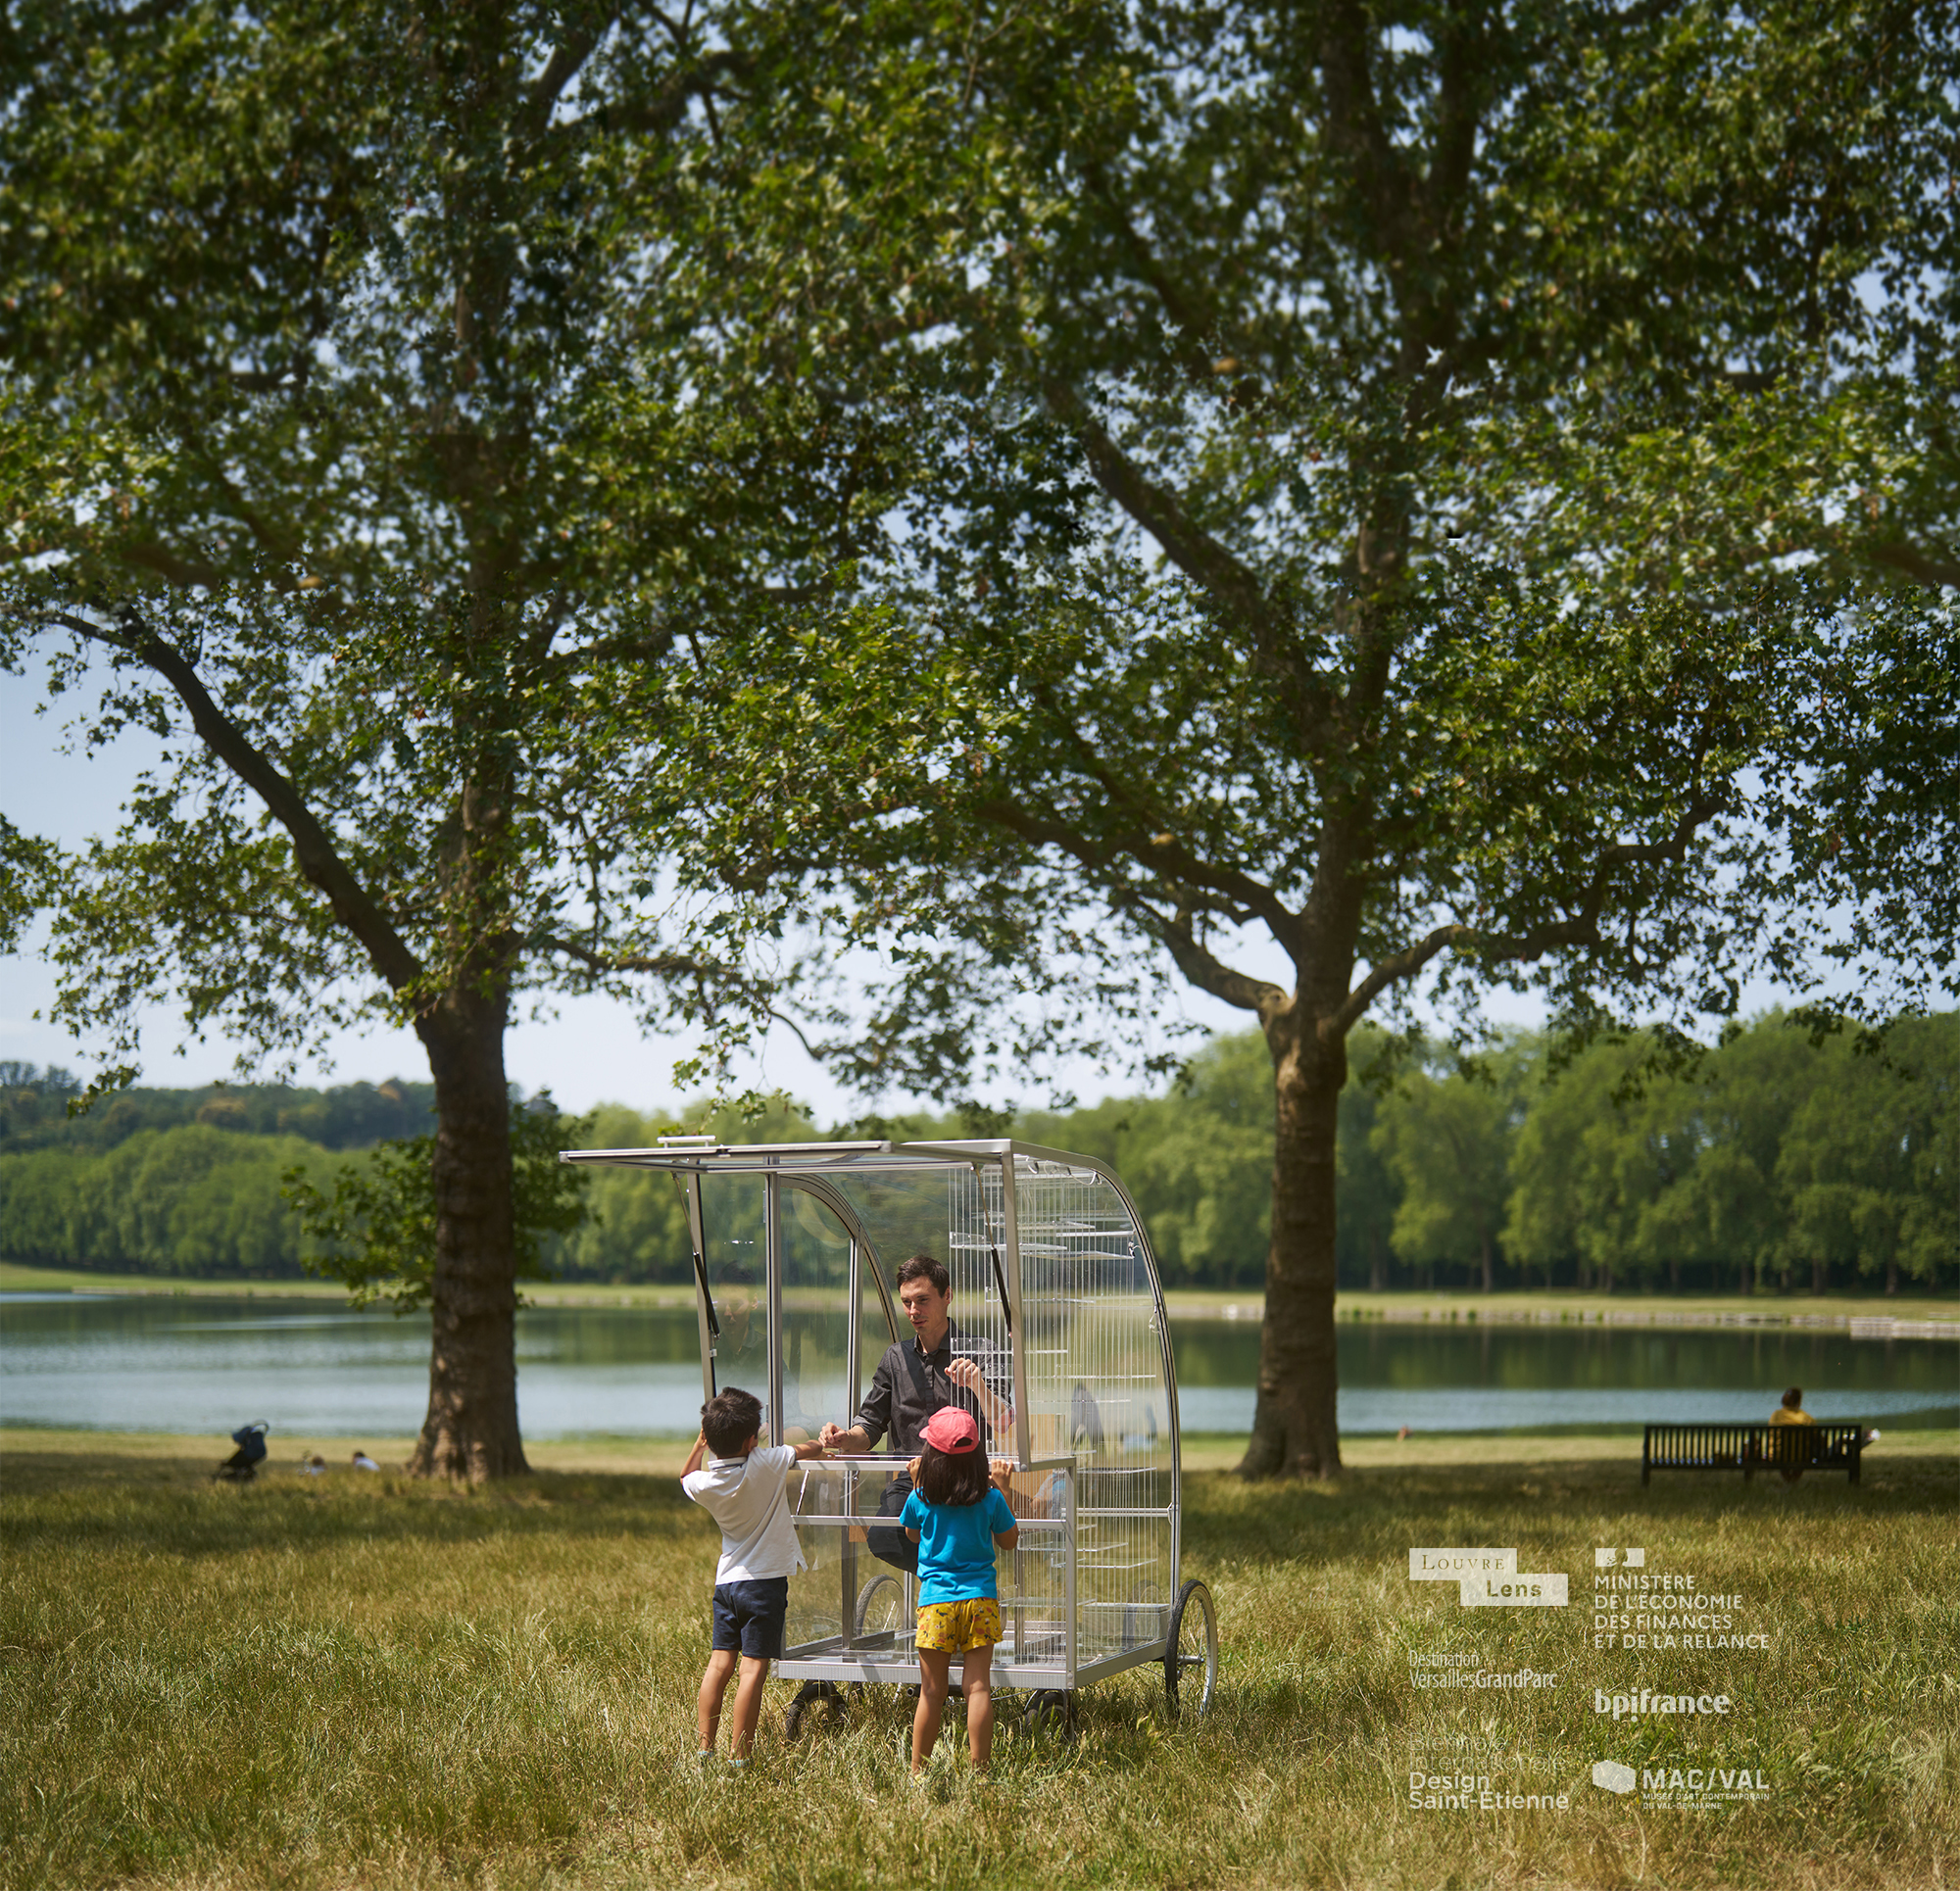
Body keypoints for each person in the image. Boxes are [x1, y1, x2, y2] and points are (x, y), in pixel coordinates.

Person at [816, 1254, 1013, 1573]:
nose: (913, 1311)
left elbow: (1003, 1421)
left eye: (922, 1300)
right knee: (883, 1538)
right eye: (906, 1302)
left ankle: (948, 1591)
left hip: (969, 1478)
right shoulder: (895, 1358)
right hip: (914, 1477)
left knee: (951, 1527)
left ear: (947, 1296)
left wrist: (977, 1383)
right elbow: (868, 1426)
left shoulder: (982, 1352)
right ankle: (952, 1581)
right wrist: (843, 1437)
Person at [680, 1386, 827, 1767]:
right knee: (753, 1669)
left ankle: (704, 1748)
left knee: (719, 1666)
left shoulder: (706, 1484)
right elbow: (810, 1448)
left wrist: (699, 1446)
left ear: (710, 1441)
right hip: (763, 1584)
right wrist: (820, 1439)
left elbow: (685, 1475)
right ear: (751, 1441)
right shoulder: (766, 1463)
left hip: (727, 1583)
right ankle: (739, 1755)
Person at [902, 1406, 1018, 1776]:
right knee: (978, 1686)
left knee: (932, 1692)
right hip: (980, 1600)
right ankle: (980, 1771)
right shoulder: (988, 1497)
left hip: (936, 1602)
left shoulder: (921, 1497)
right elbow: (1009, 1540)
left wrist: (919, 1484)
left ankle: (919, 1771)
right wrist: (1003, 1488)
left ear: (930, 1458)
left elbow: (912, 1534)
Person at [1768, 1385, 1816, 1482]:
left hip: (1779, 1456)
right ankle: (1793, 1481)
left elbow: (1771, 1432)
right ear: (1799, 1401)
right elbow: (1814, 1435)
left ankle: (1789, 1481)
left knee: (1781, 1451)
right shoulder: (1806, 1417)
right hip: (1802, 1457)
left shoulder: (1776, 1415)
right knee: (1802, 1453)